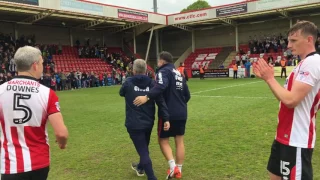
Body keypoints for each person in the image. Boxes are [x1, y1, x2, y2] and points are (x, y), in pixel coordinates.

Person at [253, 21, 320, 180]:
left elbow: (291, 100)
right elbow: (284, 97)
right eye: (288, 41)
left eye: (294, 41)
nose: (288, 45)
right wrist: (267, 78)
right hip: (283, 136)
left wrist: (270, 79)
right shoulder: (302, 64)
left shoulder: (313, 62)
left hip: (297, 139)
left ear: (309, 40)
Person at [0, 46, 68, 180]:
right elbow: (61, 133)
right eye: (42, 63)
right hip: (38, 162)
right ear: (35, 65)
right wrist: (62, 143)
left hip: (11, 164)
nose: (43, 67)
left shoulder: (1, 91)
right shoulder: (47, 94)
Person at [133, 51, 191, 179]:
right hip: (182, 111)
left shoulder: (163, 72)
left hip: (168, 112)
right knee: (179, 140)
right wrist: (180, 105)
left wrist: (147, 97)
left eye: (158, 60)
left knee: (163, 140)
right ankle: (179, 169)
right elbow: (187, 95)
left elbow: (161, 86)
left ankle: (173, 167)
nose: (157, 63)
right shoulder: (179, 73)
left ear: (162, 61)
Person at [120, 59, 170, 180]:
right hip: (148, 122)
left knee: (143, 151)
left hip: (134, 123)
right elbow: (161, 102)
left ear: (134, 70)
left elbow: (121, 93)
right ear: (146, 70)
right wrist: (166, 118)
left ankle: (152, 177)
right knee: (144, 147)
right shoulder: (153, 84)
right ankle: (141, 167)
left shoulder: (128, 82)